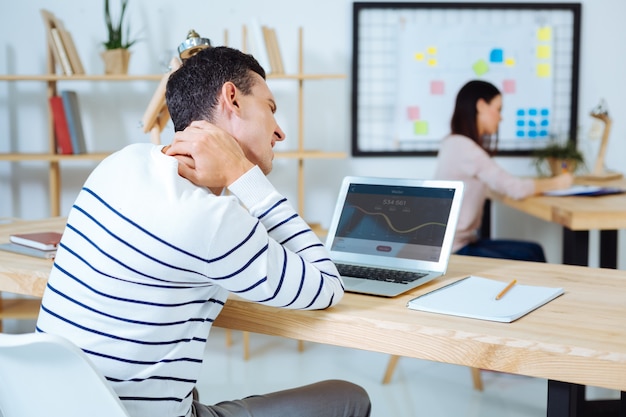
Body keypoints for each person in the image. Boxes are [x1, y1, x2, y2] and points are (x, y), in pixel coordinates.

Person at [36, 46, 371, 417]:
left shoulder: (119, 163)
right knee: (350, 397)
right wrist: (246, 177)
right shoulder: (210, 219)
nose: (279, 131)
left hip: (53, 404)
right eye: (270, 108)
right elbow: (327, 285)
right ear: (232, 99)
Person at [434, 80, 573, 262]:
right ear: (482, 106)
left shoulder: (453, 143)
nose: (501, 117)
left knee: (533, 250)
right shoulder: (466, 149)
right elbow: (515, 189)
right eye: (498, 109)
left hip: (460, 242)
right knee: (531, 256)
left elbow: (494, 184)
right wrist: (558, 183)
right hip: (456, 250)